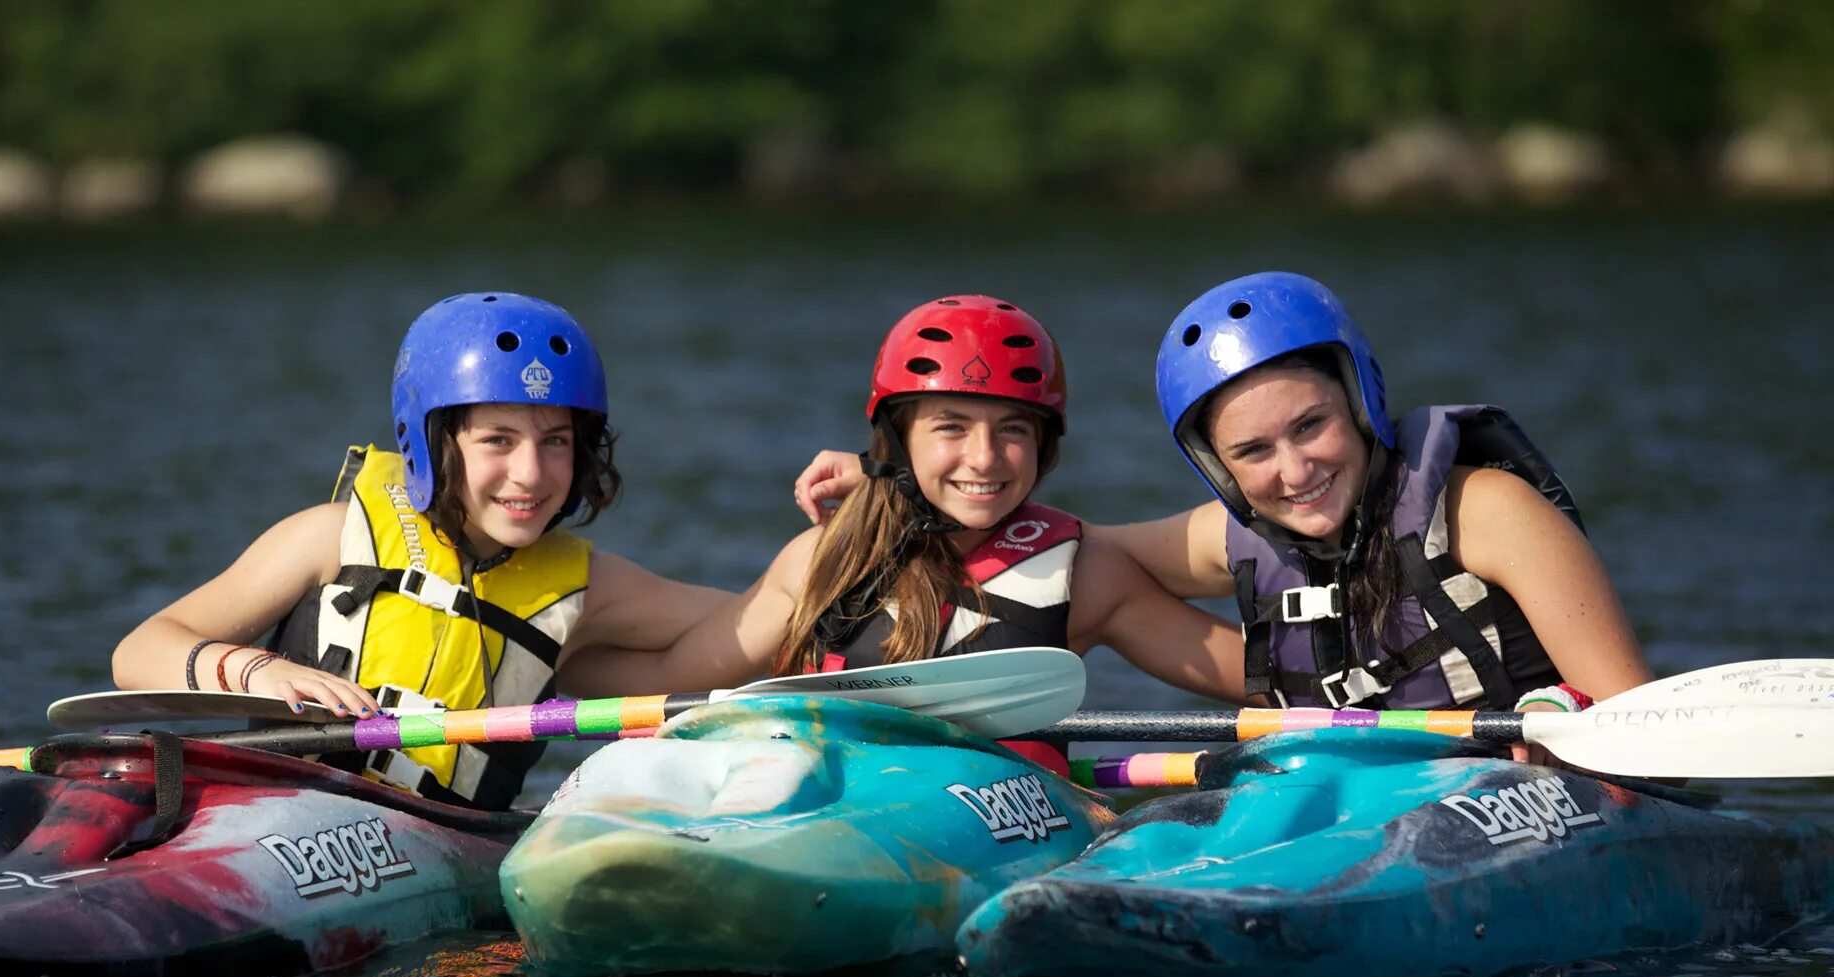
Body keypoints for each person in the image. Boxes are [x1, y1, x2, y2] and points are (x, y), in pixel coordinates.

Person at [795, 273, 1650, 722]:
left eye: (1312, 425)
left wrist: (1560, 738)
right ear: (1219, 466)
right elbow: (1054, 538)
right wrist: (895, 482)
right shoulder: (1232, 537)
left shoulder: (1488, 510)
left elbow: (1634, 725)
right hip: (1363, 813)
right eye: (1252, 450)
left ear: (1362, 405)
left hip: (1526, 801)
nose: (1293, 469)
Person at [113, 292, 729, 809]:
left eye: (556, 442)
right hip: (284, 814)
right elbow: (139, 651)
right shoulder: (330, 537)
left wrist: (827, 541)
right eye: (498, 439)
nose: (530, 473)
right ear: (433, 444)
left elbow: (759, 623)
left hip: (450, 843)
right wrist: (258, 670)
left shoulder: (587, 588)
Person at [596, 295, 1245, 749]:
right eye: (951, 428)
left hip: (984, 834)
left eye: (1012, 431)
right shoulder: (821, 557)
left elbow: (1259, 678)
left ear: (1044, 447)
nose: (985, 458)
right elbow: (669, 679)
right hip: (822, 808)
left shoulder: (1088, 574)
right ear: (898, 441)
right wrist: (534, 664)